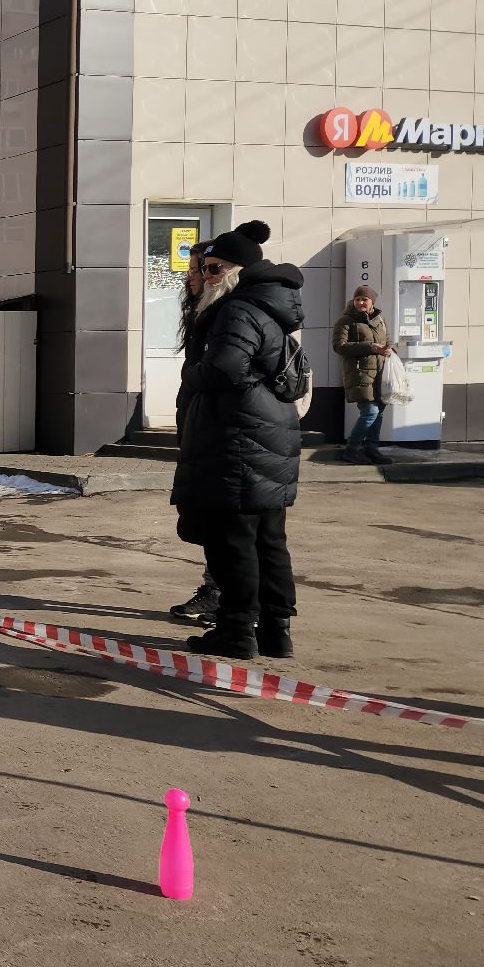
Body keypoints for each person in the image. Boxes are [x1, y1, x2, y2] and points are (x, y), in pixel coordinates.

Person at [170, 220, 303, 661]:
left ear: (235, 271)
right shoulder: (267, 307)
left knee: (233, 543)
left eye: (212, 269)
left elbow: (224, 369)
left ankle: (236, 630)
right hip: (265, 436)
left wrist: (191, 372)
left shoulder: (237, 309)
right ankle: (275, 631)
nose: (203, 277)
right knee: (267, 539)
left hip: (240, 441)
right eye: (202, 268)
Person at [168, 242, 221, 628]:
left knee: (221, 523)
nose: (189, 277)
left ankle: (224, 599)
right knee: (204, 520)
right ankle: (216, 590)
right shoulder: (201, 315)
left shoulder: (224, 317)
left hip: (219, 436)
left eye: (197, 270)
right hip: (199, 428)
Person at [333, 283, 394, 465]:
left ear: (371, 301)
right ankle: (352, 450)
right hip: (360, 374)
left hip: (380, 374)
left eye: (364, 299)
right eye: (357, 299)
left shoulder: (380, 319)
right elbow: (339, 346)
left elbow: (387, 340)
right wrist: (370, 347)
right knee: (370, 412)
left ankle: (372, 449)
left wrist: (390, 350)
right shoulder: (345, 320)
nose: (360, 302)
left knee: (379, 412)